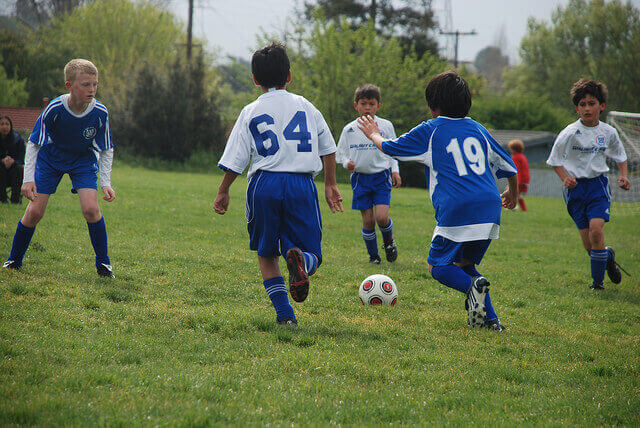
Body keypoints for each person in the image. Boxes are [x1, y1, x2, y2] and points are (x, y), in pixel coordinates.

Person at [358, 71, 518, 331]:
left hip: (458, 206)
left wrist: (373, 133)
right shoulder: (479, 129)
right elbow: (510, 166)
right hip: (489, 206)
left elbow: (389, 147)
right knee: (465, 264)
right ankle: (492, 321)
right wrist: (513, 193)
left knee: (438, 267)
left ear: (433, 106)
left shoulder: (430, 129)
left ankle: (472, 288)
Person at [213, 43, 343, 326]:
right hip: (301, 184)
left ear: (255, 79)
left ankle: (285, 316)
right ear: (290, 75)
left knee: (267, 252)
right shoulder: (307, 106)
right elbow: (328, 147)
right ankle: (303, 264)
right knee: (313, 253)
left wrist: (223, 190)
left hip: (264, 184)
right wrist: (331, 184)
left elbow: (236, 158)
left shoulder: (250, 111)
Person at [3, 59, 116, 278]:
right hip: (50, 159)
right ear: (69, 85)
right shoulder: (55, 108)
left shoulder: (100, 112)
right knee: (35, 211)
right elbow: (34, 143)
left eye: (95, 84)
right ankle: (14, 259)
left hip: (82, 161)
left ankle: (104, 264)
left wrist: (106, 183)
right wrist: (28, 179)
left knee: (91, 209)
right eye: (85, 84)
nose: (92, 89)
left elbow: (106, 148)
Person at [546, 78, 629, 290]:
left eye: (591, 103)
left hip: (597, 186)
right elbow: (554, 160)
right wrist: (565, 177)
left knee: (596, 231)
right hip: (575, 191)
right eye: (582, 104)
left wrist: (624, 175)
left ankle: (597, 284)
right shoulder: (569, 133)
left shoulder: (608, 132)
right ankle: (607, 257)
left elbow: (620, 155)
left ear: (601, 106)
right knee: (590, 246)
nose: (587, 108)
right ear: (576, 108)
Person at [336, 84, 401, 264]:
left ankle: (389, 242)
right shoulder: (349, 129)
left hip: (381, 177)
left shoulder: (386, 126)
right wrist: (346, 162)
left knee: (381, 217)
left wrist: (395, 170)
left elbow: (393, 151)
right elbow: (339, 153)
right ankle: (374, 256)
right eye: (363, 103)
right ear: (355, 105)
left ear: (378, 106)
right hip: (360, 179)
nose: (367, 108)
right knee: (368, 221)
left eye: (371, 104)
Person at [0, 115, 25, 204]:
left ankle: (15, 199)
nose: (4, 127)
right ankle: (3, 199)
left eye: (7, 124)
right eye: (2, 124)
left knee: (19, 169)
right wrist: (2, 161)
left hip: (13, 172)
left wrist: (12, 161)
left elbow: (21, 160)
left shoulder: (18, 140)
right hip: (1, 173)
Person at [507, 139, 530, 211]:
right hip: (525, 179)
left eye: (511, 148)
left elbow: (517, 171)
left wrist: (516, 182)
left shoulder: (516, 158)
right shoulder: (522, 156)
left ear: (514, 149)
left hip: (520, 180)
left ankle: (511, 206)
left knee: (510, 191)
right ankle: (523, 209)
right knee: (517, 195)